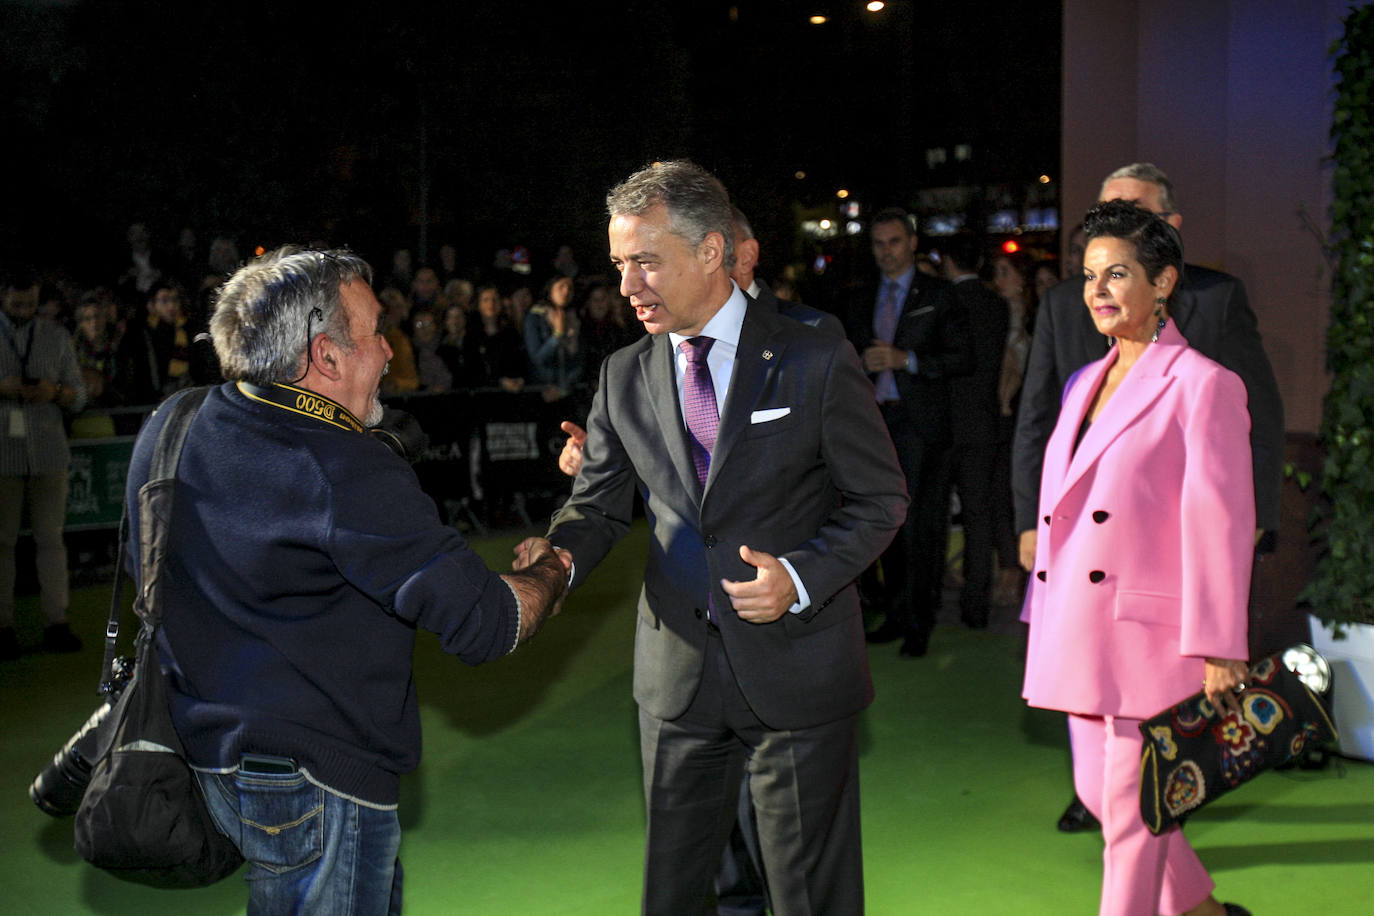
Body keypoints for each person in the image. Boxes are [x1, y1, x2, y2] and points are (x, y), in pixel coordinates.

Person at [123, 246, 568, 915]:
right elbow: (488, 623)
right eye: (373, 335)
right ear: (324, 357)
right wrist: (554, 568)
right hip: (317, 783)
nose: (390, 352)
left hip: (207, 763)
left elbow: (143, 569)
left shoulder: (174, 422)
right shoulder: (342, 467)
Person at [521, 160, 906, 915]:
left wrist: (797, 579)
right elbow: (597, 506)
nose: (627, 286)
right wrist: (557, 560)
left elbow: (879, 499)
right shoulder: (624, 374)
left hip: (796, 675)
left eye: (645, 262)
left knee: (809, 897)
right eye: (619, 265)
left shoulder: (813, 351)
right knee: (675, 895)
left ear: (710, 251)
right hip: (677, 683)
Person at [1011, 162, 1284, 834]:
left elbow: (1227, 486)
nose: (1099, 287)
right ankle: (1202, 909)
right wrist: (1031, 527)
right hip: (1076, 596)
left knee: (1134, 811)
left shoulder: (1210, 339)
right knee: (1109, 799)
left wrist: (1222, 625)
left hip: (1152, 603)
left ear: (1164, 262)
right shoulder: (1082, 373)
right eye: (1090, 270)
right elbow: (1038, 420)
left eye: (1119, 268)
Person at [846, 208, 971, 659]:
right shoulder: (861, 297)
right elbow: (845, 355)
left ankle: (920, 621)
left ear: (913, 243)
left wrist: (906, 360)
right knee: (884, 524)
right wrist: (863, 362)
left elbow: (962, 357)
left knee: (920, 527)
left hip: (920, 426)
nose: (886, 252)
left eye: (894, 242)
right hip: (873, 423)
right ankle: (897, 614)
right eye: (879, 244)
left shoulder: (939, 294)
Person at [0, 270, 88, 661]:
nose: (24, 310)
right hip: (4, 454)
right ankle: (3, 627)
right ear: (3, 296)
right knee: (2, 543)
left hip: (50, 450)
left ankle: (57, 621)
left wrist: (55, 392)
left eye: (30, 303)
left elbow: (79, 396)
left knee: (51, 540)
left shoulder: (54, 336)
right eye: (17, 303)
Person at [937, 233, 1009, 628]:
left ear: (948, 262)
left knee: (931, 514)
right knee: (980, 515)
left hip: (946, 423)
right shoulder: (996, 305)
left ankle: (931, 599)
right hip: (983, 422)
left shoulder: (946, 302)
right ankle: (976, 604)